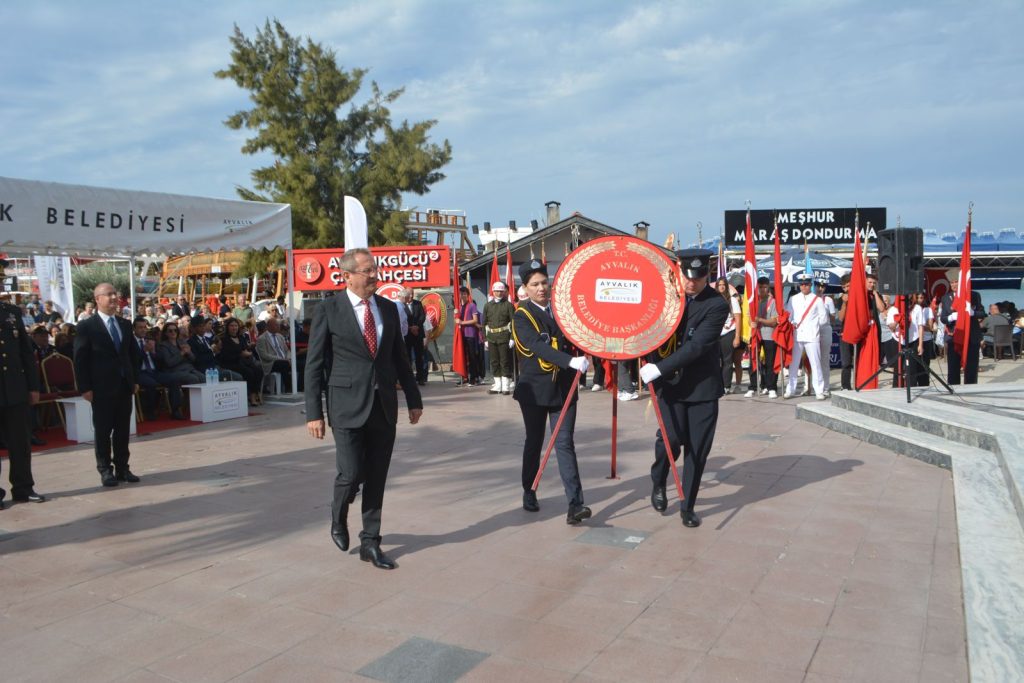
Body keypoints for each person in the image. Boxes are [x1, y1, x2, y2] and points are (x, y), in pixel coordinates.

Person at [304, 247, 423, 570]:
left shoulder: (386, 308)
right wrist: (314, 412)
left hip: (383, 404)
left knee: (377, 476)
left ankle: (370, 541)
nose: (375, 276)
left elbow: (399, 356)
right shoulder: (329, 309)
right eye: (368, 271)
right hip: (345, 404)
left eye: (375, 269)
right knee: (351, 471)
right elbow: (313, 365)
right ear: (347, 276)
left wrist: (413, 398)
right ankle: (338, 514)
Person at [639, 248, 729, 528]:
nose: (692, 283)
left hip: (701, 386)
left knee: (697, 449)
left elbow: (698, 346)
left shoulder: (717, 304)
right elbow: (643, 323)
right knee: (671, 440)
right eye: (688, 277)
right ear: (679, 270)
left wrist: (659, 367)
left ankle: (687, 504)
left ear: (707, 275)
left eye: (699, 278)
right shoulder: (665, 298)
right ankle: (658, 480)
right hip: (670, 387)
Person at [511, 259, 592, 524]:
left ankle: (575, 504)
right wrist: (569, 361)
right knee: (534, 442)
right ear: (525, 288)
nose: (541, 288)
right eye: (534, 284)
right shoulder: (521, 315)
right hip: (534, 389)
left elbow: (581, 331)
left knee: (565, 443)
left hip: (564, 389)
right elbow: (536, 345)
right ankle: (529, 489)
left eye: (544, 282)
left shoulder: (563, 310)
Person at [73, 283, 142, 487]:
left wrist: (134, 380)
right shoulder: (87, 325)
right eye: (109, 294)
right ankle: (105, 470)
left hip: (124, 384)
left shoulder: (124, 324)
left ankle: (123, 468)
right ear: (97, 299)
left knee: (122, 430)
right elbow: (80, 359)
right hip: (101, 387)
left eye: (115, 294)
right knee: (103, 430)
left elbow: (133, 355)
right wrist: (85, 387)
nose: (113, 298)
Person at [0, 288, 47, 507]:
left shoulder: (11, 312)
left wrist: (33, 386)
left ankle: (23, 488)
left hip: (14, 388)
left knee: (21, 441)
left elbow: (26, 353)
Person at [784, 273, 828, 400]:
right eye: (802, 284)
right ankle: (790, 389)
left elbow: (823, 319)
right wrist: (793, 323)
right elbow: (789, 315)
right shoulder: (793, 299)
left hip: (812, 335)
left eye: (807, 284)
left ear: (810, 284)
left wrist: (813, 326)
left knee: (816, 364)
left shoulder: (817, 300)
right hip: (797, 335)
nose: (804, 286)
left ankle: (819, 390)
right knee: (794, 364)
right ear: (799, 285)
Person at [132, 318, 186, 420]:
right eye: (140, 328)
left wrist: (153, 352)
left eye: (144, 327)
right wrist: (144, 351)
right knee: (151, 383)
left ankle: (175, 410)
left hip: (154, 371)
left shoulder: (150, 340)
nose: (143, 330)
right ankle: (150, 411)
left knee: (174, 379)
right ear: (134, 329)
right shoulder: (131, 342)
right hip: (140, 372)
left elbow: (161, 359)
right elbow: (132, 360)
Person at [939, 274, 983, 384]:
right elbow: (943, 318)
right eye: (952, 282)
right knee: (953, 367)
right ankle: (954, 389)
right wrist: (951, 317)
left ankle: (971, 389)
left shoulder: (974, 295)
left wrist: (972, 313)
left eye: (956, 282)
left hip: (971, 336)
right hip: (954, 335)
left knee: (971, 367)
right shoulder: (946, 298)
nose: (954, 284)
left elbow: (982, 313)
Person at [218, 317, 264, 406]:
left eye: (235, 326)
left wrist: (248, 351)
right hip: (230, 363)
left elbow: (246, 349)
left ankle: (255, 393)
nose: (234, 328)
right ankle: (252, 396)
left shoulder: (241, 338)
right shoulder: (224, 340)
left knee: (258, 370)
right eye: (231, 326)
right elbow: (225, 356)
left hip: (243, 361)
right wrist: (240, 354)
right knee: (249, 372)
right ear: (228, 327)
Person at [747, 276, 779, 398]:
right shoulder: (754, 302)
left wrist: (759, 319)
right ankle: (753, 386)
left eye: (765, 287)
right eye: (760, 287)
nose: (762, 290)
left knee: (770, 363)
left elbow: (774, 321)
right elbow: (750, 319)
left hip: (769, 336)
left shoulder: (773, 301)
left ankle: (771, 387)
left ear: (768, 288)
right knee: (753, 361)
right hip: (756, 335)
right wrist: (752, 323)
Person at [483, 281, 516, 395]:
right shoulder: (487, 306)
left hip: (504, 337)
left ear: (504, 292)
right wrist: (485, 339)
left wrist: (512, 338)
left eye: (501, 291)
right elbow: (484, 323)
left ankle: (506, 386)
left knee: (504, 361)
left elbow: (513, 323)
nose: (499, 293)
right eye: (497, 291)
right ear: (493, 291)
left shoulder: (508, 305)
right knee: (494, 361)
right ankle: (497, 386)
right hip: (491, 337)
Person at [715, 277, 742, 394]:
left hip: (728, 333)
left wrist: (737, 336)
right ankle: (717, 384)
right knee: (716, 361)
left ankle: (726, 386)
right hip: (715, 334)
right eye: (719, 285)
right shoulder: (713, 300)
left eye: (723, 285)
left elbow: (738, 318)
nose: (721, 287)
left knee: (727, 360)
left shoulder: (732, 300)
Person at [399, 288, 429, 386]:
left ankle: (420, 378)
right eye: (409, 294)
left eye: (412, 294)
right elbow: (402, 319)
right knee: (407, 357)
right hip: (407, 335)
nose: (411, 296)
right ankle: (408, 378)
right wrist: (410, 328)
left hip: (418, 334)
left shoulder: (418, 304)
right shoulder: (401, 305)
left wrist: (417, 326)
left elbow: (422, 316)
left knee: (419, 357)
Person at [455, 286, 483, 385]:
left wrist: (462, 322)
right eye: (461, 294)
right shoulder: (458, 307)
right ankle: (464, 376)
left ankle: (473, 377)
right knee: (463, 356)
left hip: (470, 334)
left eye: (464, 294)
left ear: (468, 295)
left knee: (472, 357)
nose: (462, 296)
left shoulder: (471, 305)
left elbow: (475, 320)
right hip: (461, 335)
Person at [256, 318, 292, 392]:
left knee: (299, 363)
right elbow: (264, 355)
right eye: (276, 325)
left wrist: (289, 358)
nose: (278, 327)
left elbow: (287, 350)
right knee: (284, 364)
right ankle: (289, 388)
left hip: (284, 360)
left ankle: (300, 386)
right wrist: (280, 359)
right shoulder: (262, 338)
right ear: (269, 326)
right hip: (270, 363)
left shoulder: (280, 336)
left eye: (278, 325)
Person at [816, 277, 837, 395]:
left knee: (824, 359)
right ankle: (808, 386)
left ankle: (826, 387)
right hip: (812, 331)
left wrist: (827, 315)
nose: (820, 289)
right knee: (811, 359)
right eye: (818, 286)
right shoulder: (811, 299)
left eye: (822, 286)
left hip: (825, 329)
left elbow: (833, 318)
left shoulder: (828, 299)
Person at [835, 274, 854, 390]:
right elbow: (841, 318)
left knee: (858, 361)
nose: (847, 289)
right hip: (845, 333)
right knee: (846, 362)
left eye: (848, 286)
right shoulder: (840, 299)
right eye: (844, 287)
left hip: (857, 332)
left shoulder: (860, 297)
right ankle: (845, 386)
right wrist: (844, 303)